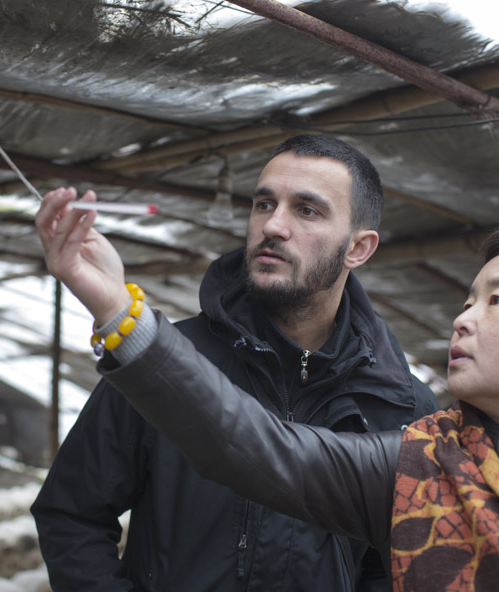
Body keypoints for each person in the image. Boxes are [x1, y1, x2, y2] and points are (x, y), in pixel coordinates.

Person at [35, 199, 499, 591]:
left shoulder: (403, 402)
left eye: (497, 301)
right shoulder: (421, 469)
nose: (463, 320)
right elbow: (246, 444)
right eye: (466, 301)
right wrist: (119, 311)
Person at [31, 135, 439, 591]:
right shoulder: (165, 365)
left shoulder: (401, 405)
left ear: (358, 248)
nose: (274, 226)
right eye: (264, 204)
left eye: (307, 210)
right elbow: (71, 513)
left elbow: (396, 567)